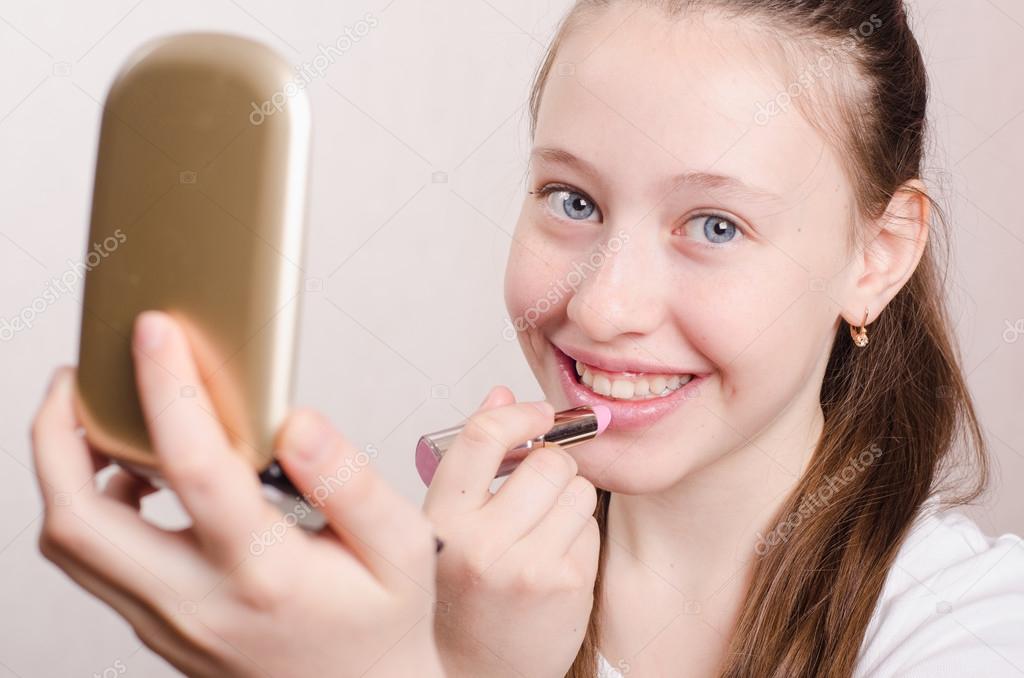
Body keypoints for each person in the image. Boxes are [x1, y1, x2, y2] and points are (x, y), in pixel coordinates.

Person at [31, 1, 1024, 677]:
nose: (600, 308)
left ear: (878, 256)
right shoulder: (434, 590)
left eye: (713, 225)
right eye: (572, 199)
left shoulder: (975, 629)